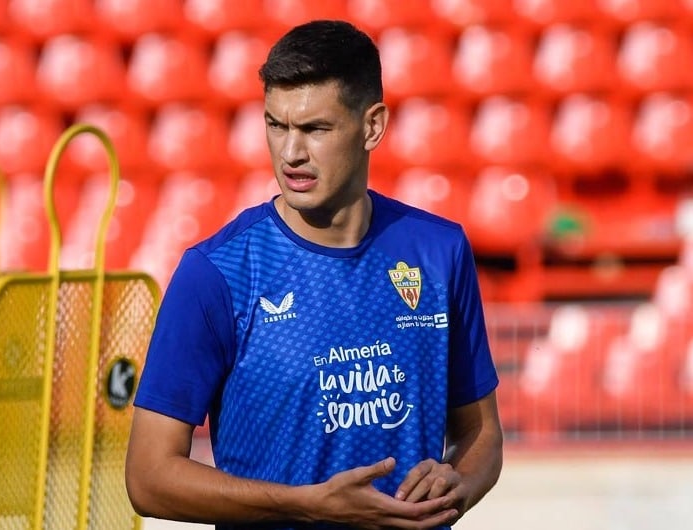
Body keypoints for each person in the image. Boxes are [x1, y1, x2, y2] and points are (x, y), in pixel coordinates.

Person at [125, 19, 503, 530]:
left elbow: (480, 434)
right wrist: (305, 503)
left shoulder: (439, 251)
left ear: (372, 126)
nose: (290, 153)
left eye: (315, 129)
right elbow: (148, 478)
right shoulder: (216, 273)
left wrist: (459, 483)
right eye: (275, 125)